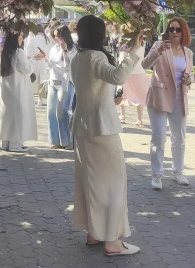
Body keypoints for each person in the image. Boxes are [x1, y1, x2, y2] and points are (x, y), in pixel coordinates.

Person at [71, 15, 142, 256]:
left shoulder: (78, 57)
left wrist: (109, 97)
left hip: (83, 126)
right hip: (102, 127)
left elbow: (93, 88)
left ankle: (94, 231)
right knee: (113, 183)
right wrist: (133, 51)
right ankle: (111, 240)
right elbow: (117, 77)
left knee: (90, 180)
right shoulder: (95, 56)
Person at [142, 17, 195, 190]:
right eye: (171, 29)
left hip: (180, 96)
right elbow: (144, 64)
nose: (174, 32)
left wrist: (189, 79)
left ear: (183, 32)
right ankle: (157, 175)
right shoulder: (159, 46)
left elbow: (191, 74)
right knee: (158, 138)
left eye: (178, 29)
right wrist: (157, 52)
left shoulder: (188, 53)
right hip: (160, 95)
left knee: (179, 138)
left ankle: (178, 171)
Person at [0, 26, 38, 152]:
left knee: (6, 116)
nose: (22, 39)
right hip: (17, 89)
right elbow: (26, 68)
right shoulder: (18, 52)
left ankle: (5, 142)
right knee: (17, 116)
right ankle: (15, 144)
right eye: (20, 37)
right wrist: (34, 59)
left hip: (5, 90)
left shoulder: (3, 53)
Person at [45, 25, 77, 149]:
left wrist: (65, 51)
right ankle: (55, 140)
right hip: (53, 81)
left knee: (62, 112)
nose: (56, 39)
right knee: (51, 112)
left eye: (57, 36)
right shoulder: (53, 48)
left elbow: (71, 64)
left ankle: (68, 140)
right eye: (54, 36)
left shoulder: (73, 48)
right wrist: (46, 59)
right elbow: (51, 64)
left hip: (65, 82)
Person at [119, 24, 149, 127]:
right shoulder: (137, 41)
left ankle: (125, 116)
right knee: (129, 94)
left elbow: (122, 56)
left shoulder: (135, 41)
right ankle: (135, 118)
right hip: (133, 71)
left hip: (133, 71)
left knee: (127, 93)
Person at [25, 24, 49, 106]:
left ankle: (31, 99)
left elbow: (28, 49)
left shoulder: (33, 38)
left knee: (32, 80)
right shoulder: (45, 38)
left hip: (35, 60)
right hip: (44, 61)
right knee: (42, 80)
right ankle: (42, 99)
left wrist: (29, 57)